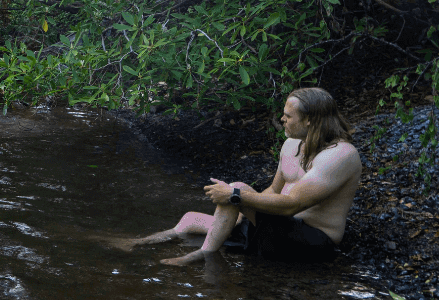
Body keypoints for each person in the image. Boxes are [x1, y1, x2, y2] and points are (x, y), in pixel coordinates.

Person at [128, 87, 361, 266]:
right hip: (276, 227)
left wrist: (238, 197)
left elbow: (293, 204)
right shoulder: (291, 145)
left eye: (288, 116)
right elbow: (272, 192)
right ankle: (138, 242)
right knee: (191, 219)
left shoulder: (339, 155)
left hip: (311, 241)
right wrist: (243, 211)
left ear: (310, 120)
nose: (282, 120)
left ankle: (203, 255)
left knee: (235, 190)